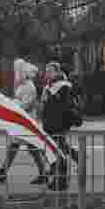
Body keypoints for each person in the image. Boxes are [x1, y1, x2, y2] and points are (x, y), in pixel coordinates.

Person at [0, 61, 48, 185]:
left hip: (25, 121)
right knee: (23, 147)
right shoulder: (23, 85)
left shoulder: (28, 86)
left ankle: (45, 171)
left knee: (24, 147)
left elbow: (26, 105)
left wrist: (13, 107)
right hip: (22, 121)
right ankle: (43, 172)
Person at [41, 61, 75, 191]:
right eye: (46, 71)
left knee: (58, 152)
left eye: (50, 71)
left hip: (58, 125)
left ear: (57, 72)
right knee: (56, 151)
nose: (47, 73)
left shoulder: (62, 86)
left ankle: (61, 181)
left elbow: (61, 107)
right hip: (51, 125)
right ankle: (58, 179)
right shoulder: (51, 86)